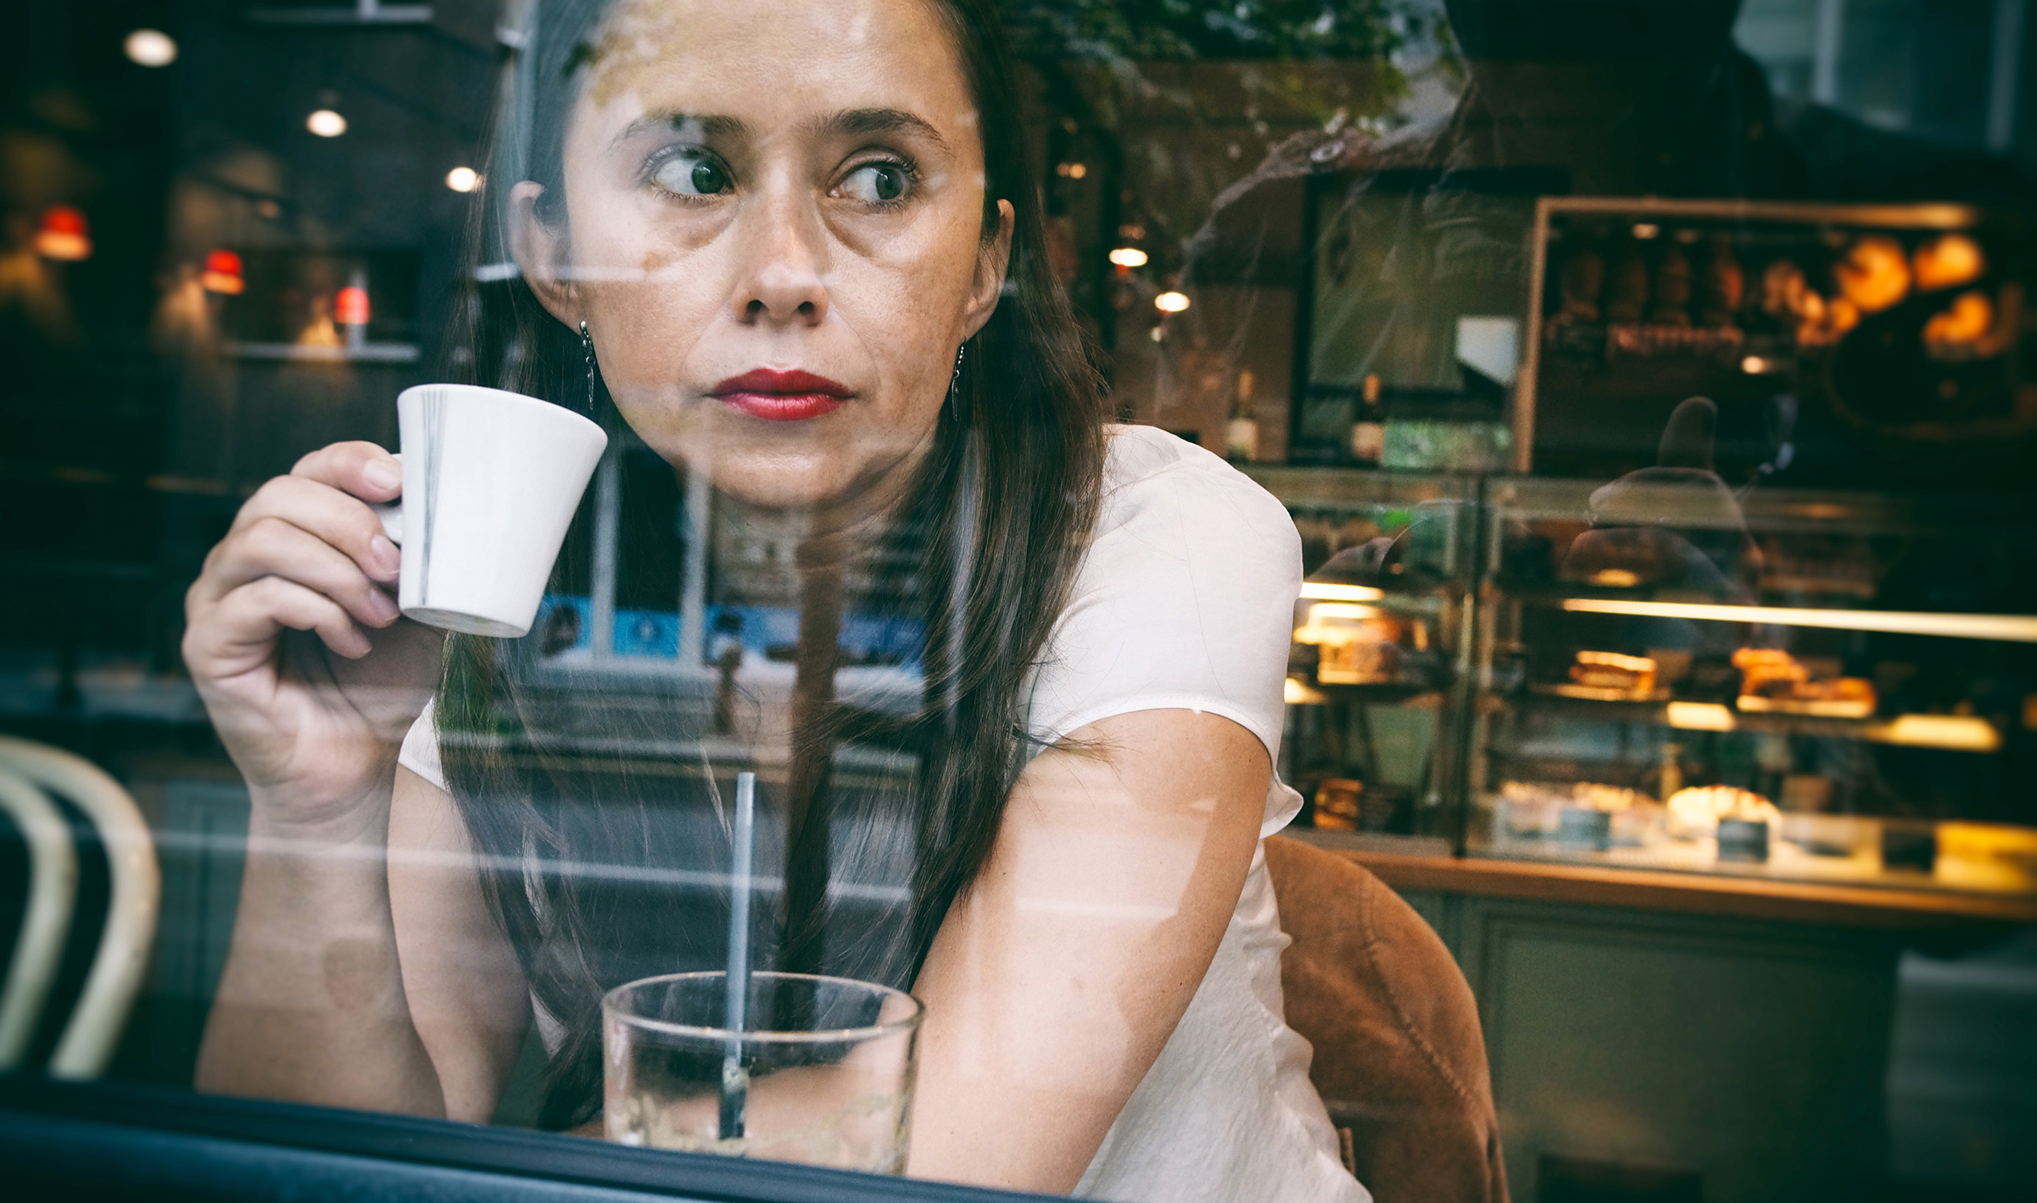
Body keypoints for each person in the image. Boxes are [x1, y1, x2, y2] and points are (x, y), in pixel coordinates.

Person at [179, 1, 1363, 1199]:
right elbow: (320, 1166)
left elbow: (943, 1166)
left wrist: (506, 1167)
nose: (784, 275)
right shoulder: (506, 589)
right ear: (553, 257)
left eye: (880, 178)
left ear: (984, 265)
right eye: (692, 173)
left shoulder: (1153, 536)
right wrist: (322, 807)